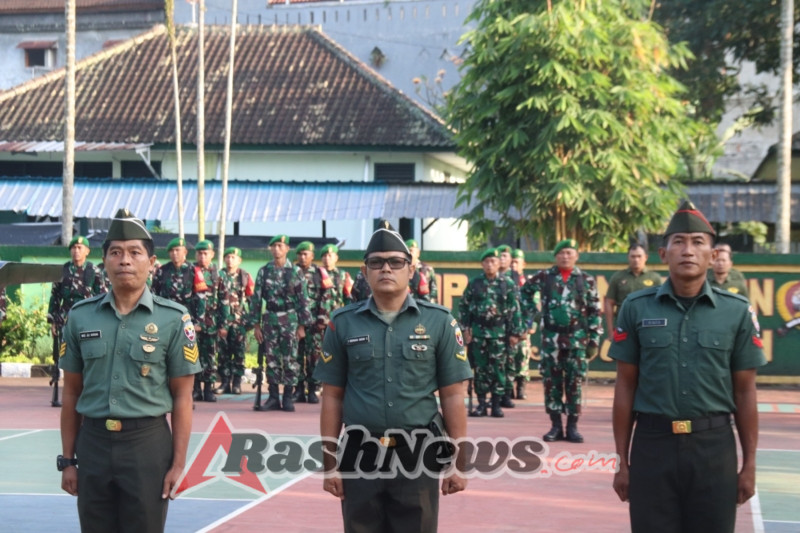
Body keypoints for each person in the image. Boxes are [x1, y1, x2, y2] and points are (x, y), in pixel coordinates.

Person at [610, 200, 766, 533]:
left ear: (713, 255)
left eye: (698, 243)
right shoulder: (635, 308)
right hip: (653, 446)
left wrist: (749, 464)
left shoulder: (736, 311)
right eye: (678, 241)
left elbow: (745, 390)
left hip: (714, 449)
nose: (688, 250)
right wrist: (622, 461)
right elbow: (625, 385)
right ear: (663, 254)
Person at [314, 225, 471, 533]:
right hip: (361, 453)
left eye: (396, 262)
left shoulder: (439, 322)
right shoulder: (342, 324)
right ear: (365, 271)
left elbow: (453, 395)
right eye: (376, 262)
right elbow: (332, 396)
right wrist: (330, 465)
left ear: (410, 269)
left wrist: (458, 462)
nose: (386, 268)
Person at [58, 208, 200, 533]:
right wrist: (68, 460)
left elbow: (183, 396)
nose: (125, 260)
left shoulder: (174, 319)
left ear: (151, 264)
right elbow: (71, 392)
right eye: (116, 252)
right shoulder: (81, 317)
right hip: (92, 443)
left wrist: (178, 464)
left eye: (135, 252)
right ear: (104, 261)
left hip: (147, 445)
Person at [521, 239, 602, 442]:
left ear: (576, 255)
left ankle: (573, 427)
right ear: (555, 256)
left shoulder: (586, 280)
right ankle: (556, 426)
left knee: (574, 383)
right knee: (552, 383)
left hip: (577, 340)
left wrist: (594, 340)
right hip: (552, 340)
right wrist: (535, 314)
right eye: (561, 253)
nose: (565, 256)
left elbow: (594, 310)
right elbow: (524, 292)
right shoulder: (545, 277)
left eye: (569, 252)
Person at [249, 235, 312, 412]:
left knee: (290, 359)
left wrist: (302, 326)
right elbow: (256, 300)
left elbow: (303, 299)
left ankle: (288, 397)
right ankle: (274, 397)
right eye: (274, 246)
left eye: (280, 246)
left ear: (286, 249)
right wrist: (256, 325)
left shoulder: (295, 272)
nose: (276, 249)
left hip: (290, 319)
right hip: (270, 318)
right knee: (272, 360)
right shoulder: (264, 271)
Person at [459, 247, 524, 418]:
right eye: (486, 262)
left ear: (498, 264)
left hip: (499, 333)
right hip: (479, 332)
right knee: (480, 369)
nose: (490, 264)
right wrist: (465, 329)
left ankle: (496, 404)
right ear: (482, 264)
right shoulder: (475, 283)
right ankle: (481, 404)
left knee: (498, 369)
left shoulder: (507, 284)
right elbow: (464, 306)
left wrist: (515, 333)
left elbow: (515, 309)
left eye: (493, 261)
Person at [47, 235, 107, 406]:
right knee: (65, 357)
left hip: (89, 319)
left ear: (87, 251)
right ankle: (66, 393)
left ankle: (88, 392)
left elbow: (102, 296)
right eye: (73, 248)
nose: (76, 251)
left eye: (80, 248)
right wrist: (52, 321)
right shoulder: (62, 270)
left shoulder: (94, 271)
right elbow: (55, 297)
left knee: (88, 355)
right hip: (65, 320)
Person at [294, 241, 336, 404]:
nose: (303, 257)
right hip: (295, 324)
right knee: (296, 358)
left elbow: (326, 297)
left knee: (314, 358)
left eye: (306, 254)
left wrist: (321, 320)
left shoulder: (320, 272)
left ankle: (312, 389)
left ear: (312, 256)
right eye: (300, 254)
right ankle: (298, 389)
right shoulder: (292, 272)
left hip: (314, 324)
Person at [216, 246, 254, 395]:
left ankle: (237, 383)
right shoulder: (219, 275)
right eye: (228, 257)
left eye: (233, 257)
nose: (230, 260)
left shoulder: (245, 276)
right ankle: (224, 382)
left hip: (239, 322)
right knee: (223, 353)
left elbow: (252, 300)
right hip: (223, 321)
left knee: (239, 353)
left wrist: (251, 322)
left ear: (239, 260)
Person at [191, 239, 225, 402]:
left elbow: (224, 301)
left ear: (212, 255)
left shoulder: (218, 275)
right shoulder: (190, 271)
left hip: (212, 323)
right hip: (193, 323)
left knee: (210, 356)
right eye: (200, 253)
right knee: (193, 355)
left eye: (206, 253)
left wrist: (223, 324)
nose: (202, 256)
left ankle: (208, 389)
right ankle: (196, 388)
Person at [604, 243, 662, 336]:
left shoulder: (655, 278)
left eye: (639, 256)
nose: (636, 260)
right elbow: (609, 302)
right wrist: (610, 330)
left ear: (646, 257)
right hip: (623, 325)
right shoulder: (618, 277)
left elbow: (661, 304)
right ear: (628, 257)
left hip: (647, 325)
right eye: (633, 256)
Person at [509, 248, 533, 400]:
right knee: (509, 358)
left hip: (523, 327)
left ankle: (521, 387)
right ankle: (509, 388)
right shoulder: (506, 281)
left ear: (523, 264)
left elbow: (534, 307)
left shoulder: (528, 283)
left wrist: (528, 328)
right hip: (509, 328)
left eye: (516, 262)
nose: (513, 265)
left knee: (522, 357)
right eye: (511, 262)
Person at [406, 238, 439, 303]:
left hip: (423, 306)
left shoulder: (427, 269)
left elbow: (433, 292)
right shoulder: (401, 268)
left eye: (411, 251)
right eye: (407, 252)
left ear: (418, 253)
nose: (409, 254)